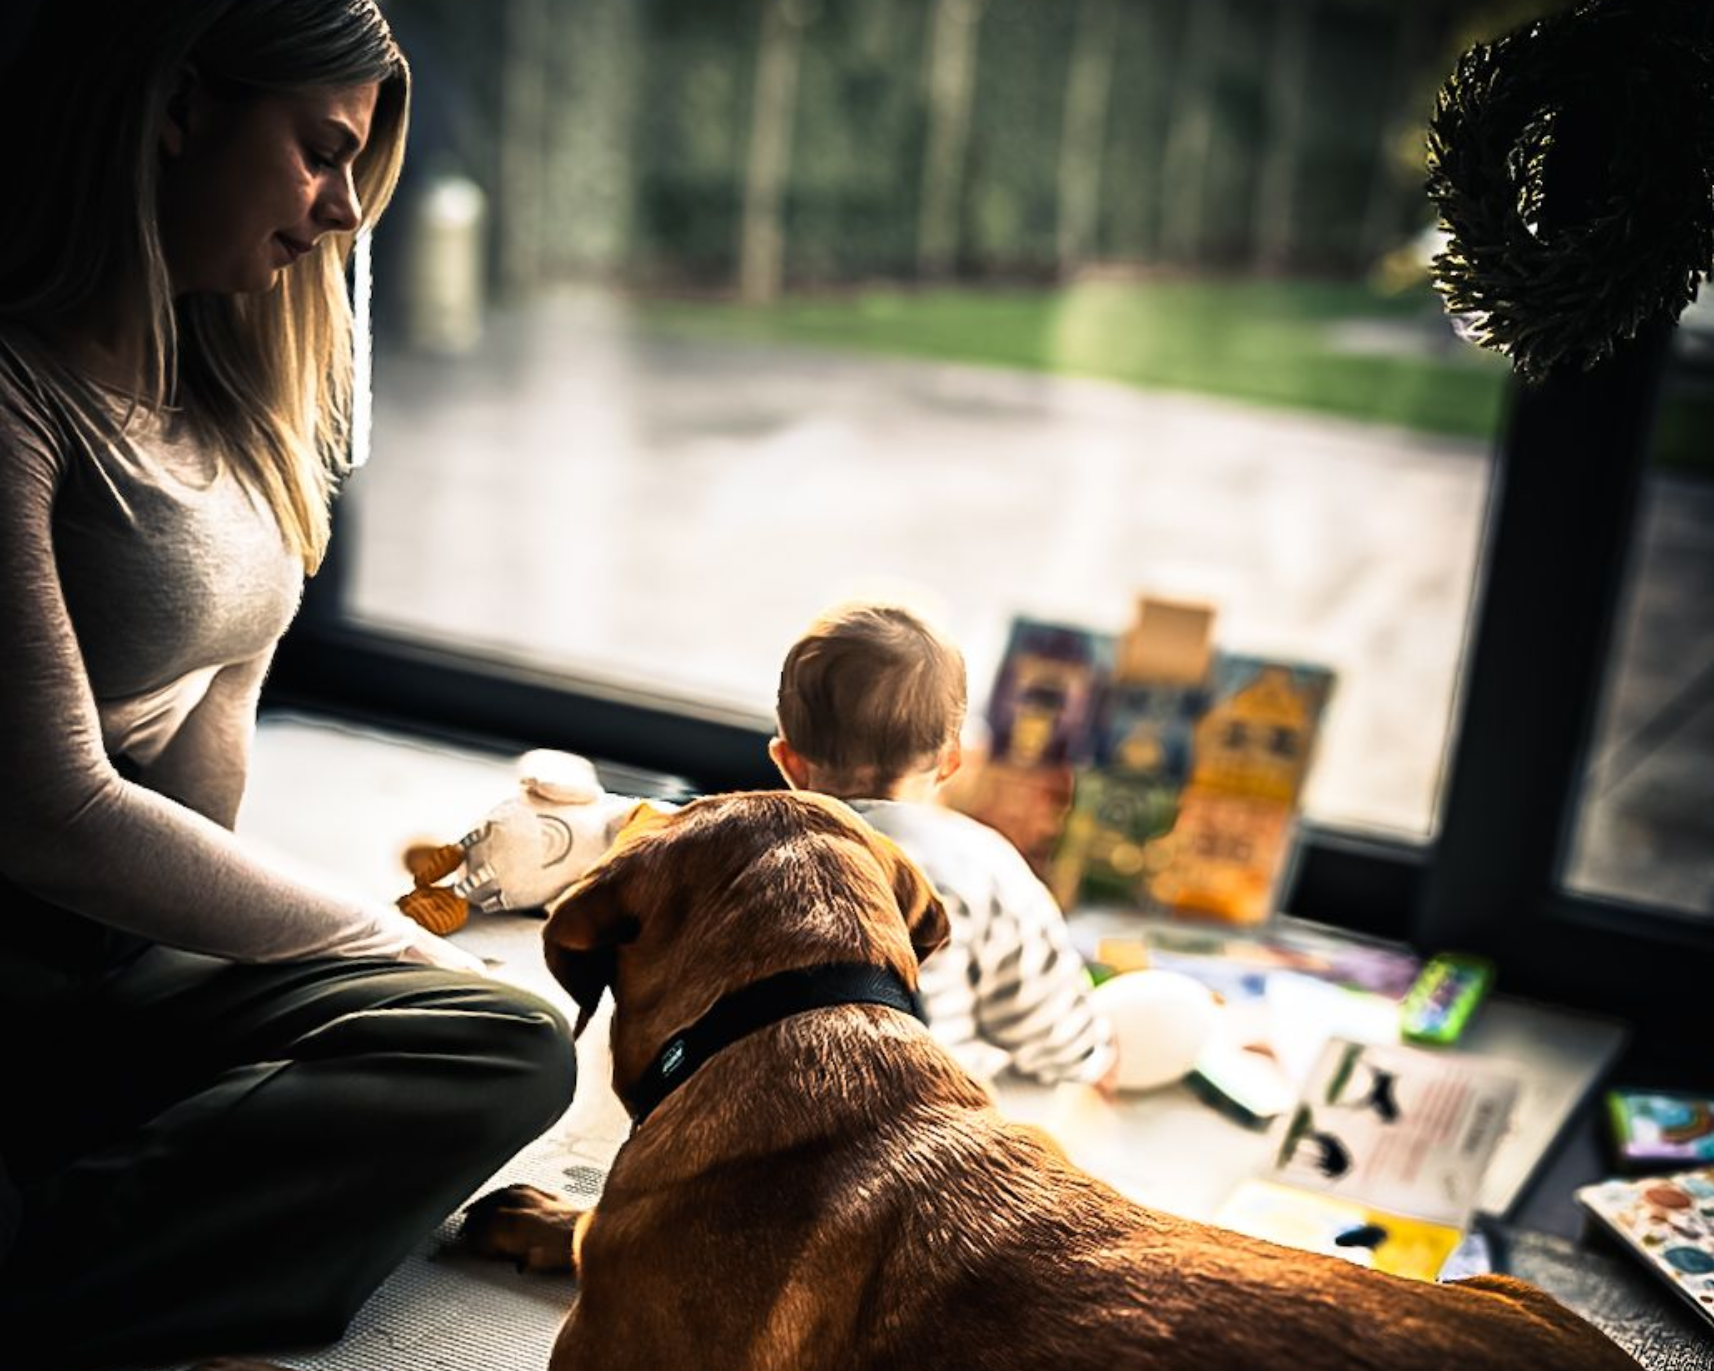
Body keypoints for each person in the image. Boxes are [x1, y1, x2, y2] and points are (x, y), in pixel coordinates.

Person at [0, 3, 575, 1366]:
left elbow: (213, 734)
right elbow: (50, 813)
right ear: (179, 110)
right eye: (321, 153)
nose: (340, 211)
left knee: (510, 1041)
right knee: (402, 973)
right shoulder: (19, 390)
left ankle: (72, 1216)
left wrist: (286, 959)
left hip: (113, 953)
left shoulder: (233, 387)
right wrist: (378, 939)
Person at [770, 602, 1117, 1091]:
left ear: (787, 761)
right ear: (952, 761)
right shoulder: (982, 867)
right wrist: (1098, 1053)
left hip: (767, 1100)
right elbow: (1056, 1040)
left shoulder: (745, 854)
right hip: (919, 1116)